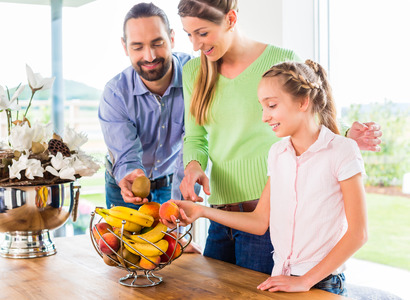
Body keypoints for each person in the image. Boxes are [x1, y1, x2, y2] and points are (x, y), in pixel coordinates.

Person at [177, 0, 380, 274]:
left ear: (231, 19)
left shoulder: (278, 59)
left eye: (202, 33)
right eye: (189, 34)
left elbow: (306, 105)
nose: (195, 45)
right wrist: (193, 166)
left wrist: (344, 132)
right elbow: (195, 138)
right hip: (220, 212)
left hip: (268, 212)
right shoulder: (193, 72)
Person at [163, 59, 368, 296]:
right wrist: (202, 212)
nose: (264, 117)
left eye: (271, 106)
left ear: (303, 102)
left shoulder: (342, 150)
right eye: (262, 107)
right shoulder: (277, 153)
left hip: (322, 281)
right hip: (279, 277)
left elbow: (358, 233)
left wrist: (305, 281)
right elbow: (260, 221)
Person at [98, 2, 192, 210]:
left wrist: (180, 201)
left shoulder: (195, 76)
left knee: (172, 241)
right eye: (138, 47)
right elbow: (125, 154)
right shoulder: (115, 93)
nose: (149, 56)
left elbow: (194, 143)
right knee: (123, 243)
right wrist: (131, 174)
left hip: (171, 180)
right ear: (125, 47)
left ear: (172, 38)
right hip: (124, 185)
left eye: (157, 43)